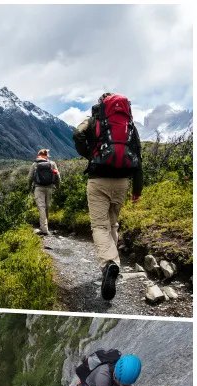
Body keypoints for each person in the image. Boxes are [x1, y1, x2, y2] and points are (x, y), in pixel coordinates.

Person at [73, 93, 144, 301]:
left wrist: (90, 154)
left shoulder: (94, 120)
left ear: (101, 104)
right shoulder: (129, 124)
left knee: (99, 226)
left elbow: (77, 134)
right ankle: (113, 263)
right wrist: (137, 190)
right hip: (122, 182)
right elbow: (138, 156)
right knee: (113, 224)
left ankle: (109, 264)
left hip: (98, 180)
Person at [27, 148, 60, 235]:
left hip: (38, 188)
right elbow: (58, 176)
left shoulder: (35, 164)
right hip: (49, 188)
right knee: (47, 207)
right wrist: (58, 186)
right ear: (47, 155)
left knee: (41, 207)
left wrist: (29, 188)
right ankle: (45, 227)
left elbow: (30, 177)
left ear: (39, 155)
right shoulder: (52, 164)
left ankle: (44, 229)